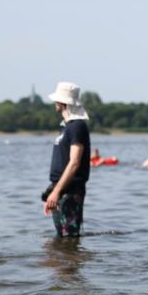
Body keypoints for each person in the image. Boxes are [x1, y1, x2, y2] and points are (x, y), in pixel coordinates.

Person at [44, 82, 91, 237]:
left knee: (69, 238)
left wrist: (56, 191)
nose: (54, 103)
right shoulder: (67, 127)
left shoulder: (77, 126)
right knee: (61, 238)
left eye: (56, 100)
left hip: (71, 191)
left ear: (62, 102)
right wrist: (52, 193)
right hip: (60, 190)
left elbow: (74, 162)